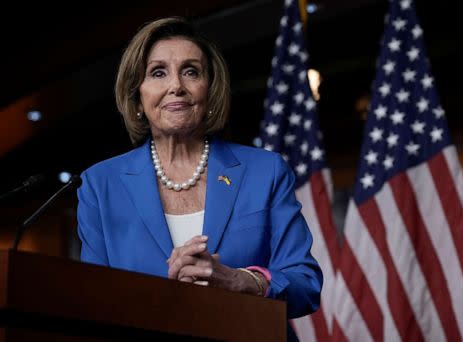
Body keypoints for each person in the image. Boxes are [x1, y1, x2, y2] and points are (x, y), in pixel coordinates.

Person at [76, 16, 322, 322]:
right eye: (158, 73)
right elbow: (95, 303)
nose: (176, 86)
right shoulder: (100, 185)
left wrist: (242, 281)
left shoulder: (265, 172)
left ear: (210, 91)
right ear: (137, 95)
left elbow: (305, 283)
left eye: (191, 72)